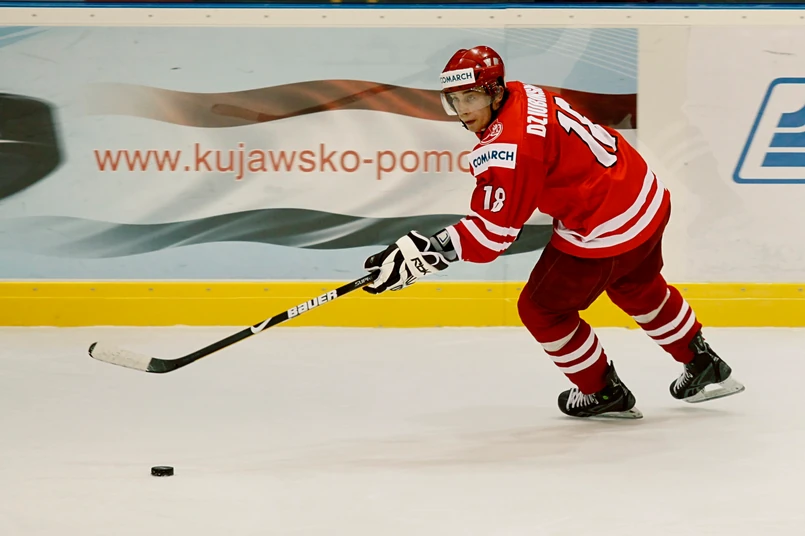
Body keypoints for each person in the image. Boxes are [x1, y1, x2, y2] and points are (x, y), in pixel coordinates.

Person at [361, 45, 744, 419]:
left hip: (606, 225)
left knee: (541, 309)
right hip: (645, 197)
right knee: (635, 285)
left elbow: (493, 235)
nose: (463, 110)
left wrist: (430, 251)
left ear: (495, 92)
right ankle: (704, 363)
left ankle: (601, 391)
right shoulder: (525, 92)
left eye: (471, 97)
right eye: (455, 99)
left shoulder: (508, 147)